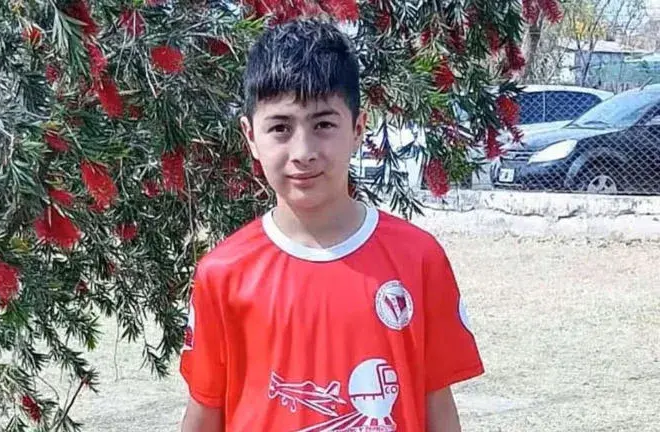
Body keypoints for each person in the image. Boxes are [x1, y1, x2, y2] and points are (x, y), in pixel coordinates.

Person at [179, 18, 483, 432]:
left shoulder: (418, 258)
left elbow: (438, 407)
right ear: (250, 137)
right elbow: (204, 412)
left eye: (323, 124)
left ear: (357, 129)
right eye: (280, 128)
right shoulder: (223, 273)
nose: (303, 151)